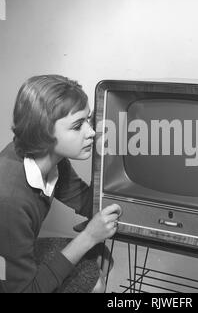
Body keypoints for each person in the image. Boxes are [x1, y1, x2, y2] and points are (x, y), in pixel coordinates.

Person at [0, 75, 121, 293]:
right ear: (43, 132)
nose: (91, 132)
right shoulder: (10, 199)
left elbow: (86, 201)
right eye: (77, 126)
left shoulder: (51, 158)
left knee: (99, 258)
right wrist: (89, 237)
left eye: (88, 119)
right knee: (94, 284)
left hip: (9, 256)